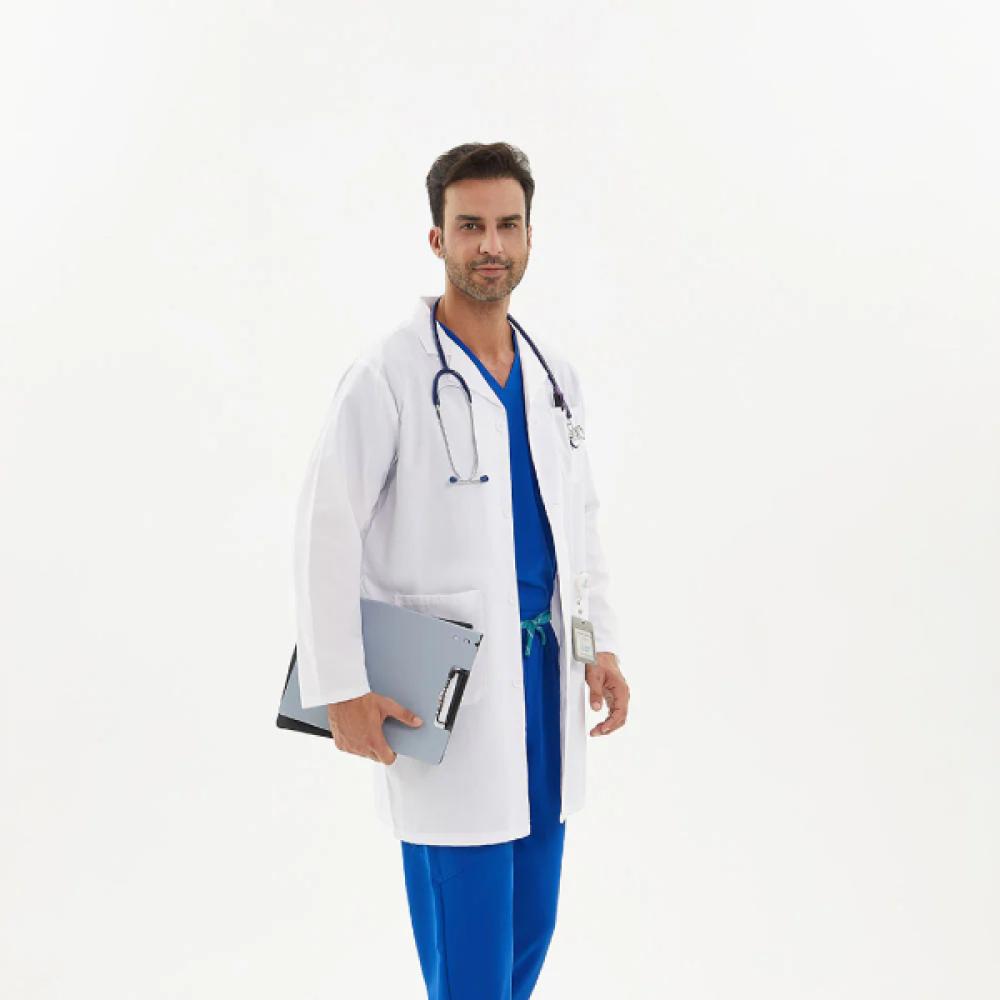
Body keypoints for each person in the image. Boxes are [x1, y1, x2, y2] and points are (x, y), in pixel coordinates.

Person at [292, 141, 630, 999]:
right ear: (437, 238)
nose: (492, 245)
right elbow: (325, 531)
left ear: (530, 237)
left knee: (530, 929)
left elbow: (579, 522)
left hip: (543, 682)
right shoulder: (389, 374)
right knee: (470, 957)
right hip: (448, 697)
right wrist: (342, 687)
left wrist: (601, 646)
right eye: (471, 225)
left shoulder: (552, 377)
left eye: (508, 226)